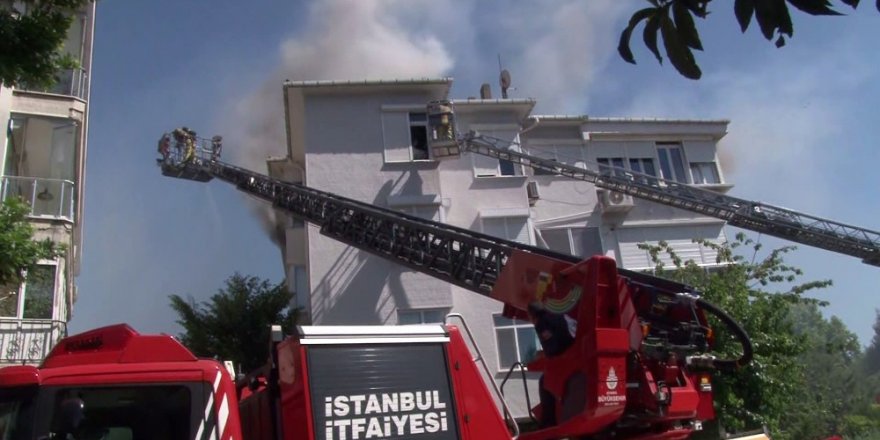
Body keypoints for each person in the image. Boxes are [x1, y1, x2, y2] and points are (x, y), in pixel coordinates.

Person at [528, 301, 575, 429]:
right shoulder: (559, 315)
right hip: (573, 353)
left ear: (532, 315)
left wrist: (542, 354)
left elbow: (552, 347)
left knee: (545, 382)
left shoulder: (542, 323)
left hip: (565, 360)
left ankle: (549, 421)